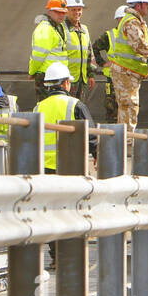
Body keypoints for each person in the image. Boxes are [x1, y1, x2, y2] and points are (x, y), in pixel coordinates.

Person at [33, 61, 97, 268]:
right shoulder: (75, 105)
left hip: (45, 168)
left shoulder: (38, 107)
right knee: (74, 210)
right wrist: (97, 153)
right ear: (67, 83)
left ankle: (56, 257)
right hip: (70, 166)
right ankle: (74, 256)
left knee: (51, 212)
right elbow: (91, 133)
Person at [107, 0, 148, 129]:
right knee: (129, 106)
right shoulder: (132, 22)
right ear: (138, 5)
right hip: (126, 72)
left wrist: (146, 61)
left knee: (127, 107)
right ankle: (128, 143)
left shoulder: (134, 21)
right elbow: (138, 44)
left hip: (128, 72)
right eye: (146, 4)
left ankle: (124, 141)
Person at [29, 0, 71, 103]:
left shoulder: (58, 27)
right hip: (46, 76)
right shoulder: (45, 28)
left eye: (63, 12)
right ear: (49, 11)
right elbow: (38, 55)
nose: (61, 15)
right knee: (46, 107)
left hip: (56, 75)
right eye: (57, 12)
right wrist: (32, 72)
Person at [91, 5, 126, 123]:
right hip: (113, 78)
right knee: (112, 108)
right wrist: (103, 63)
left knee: (127, 107)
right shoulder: (109, 35)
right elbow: (94, 48)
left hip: (129, 78)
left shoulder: (134, 35)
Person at [64, 0, 92, 101]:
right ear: (67, 11)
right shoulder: (63, 29)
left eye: (79, 9)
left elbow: (89, 54)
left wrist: (91, 74)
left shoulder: (84, 29)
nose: (77, 13)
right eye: (73, 10)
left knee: (80, 109)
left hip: (82, 80)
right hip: (68, 80)